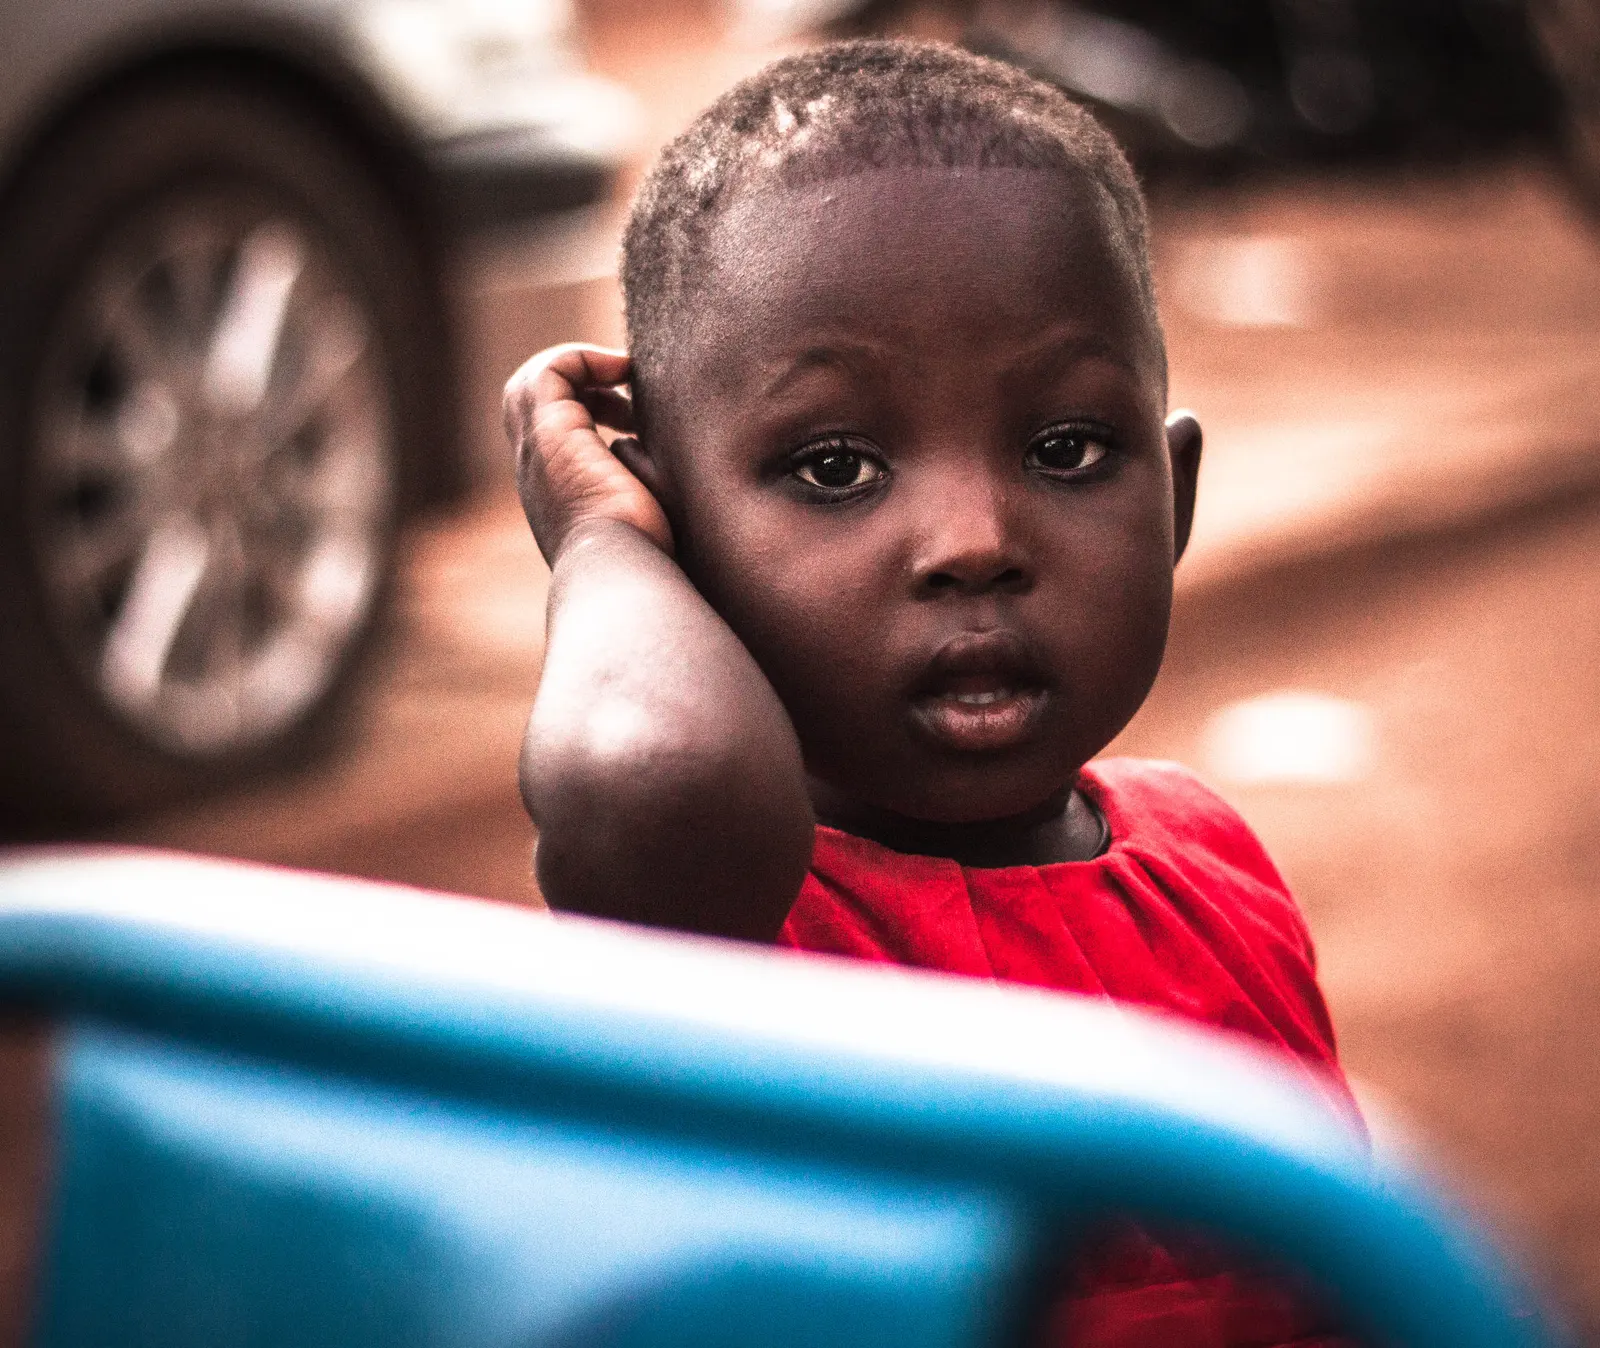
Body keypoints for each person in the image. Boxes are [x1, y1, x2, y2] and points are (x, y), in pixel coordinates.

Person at [504, 39, 1357, 1345]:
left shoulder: (1217, 860)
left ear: (1173, 502)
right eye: (836, 467)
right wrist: (603, 543)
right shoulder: (728, 928)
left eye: (1066, 448)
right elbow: (651, 779)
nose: (974, 539)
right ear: (676, 530)